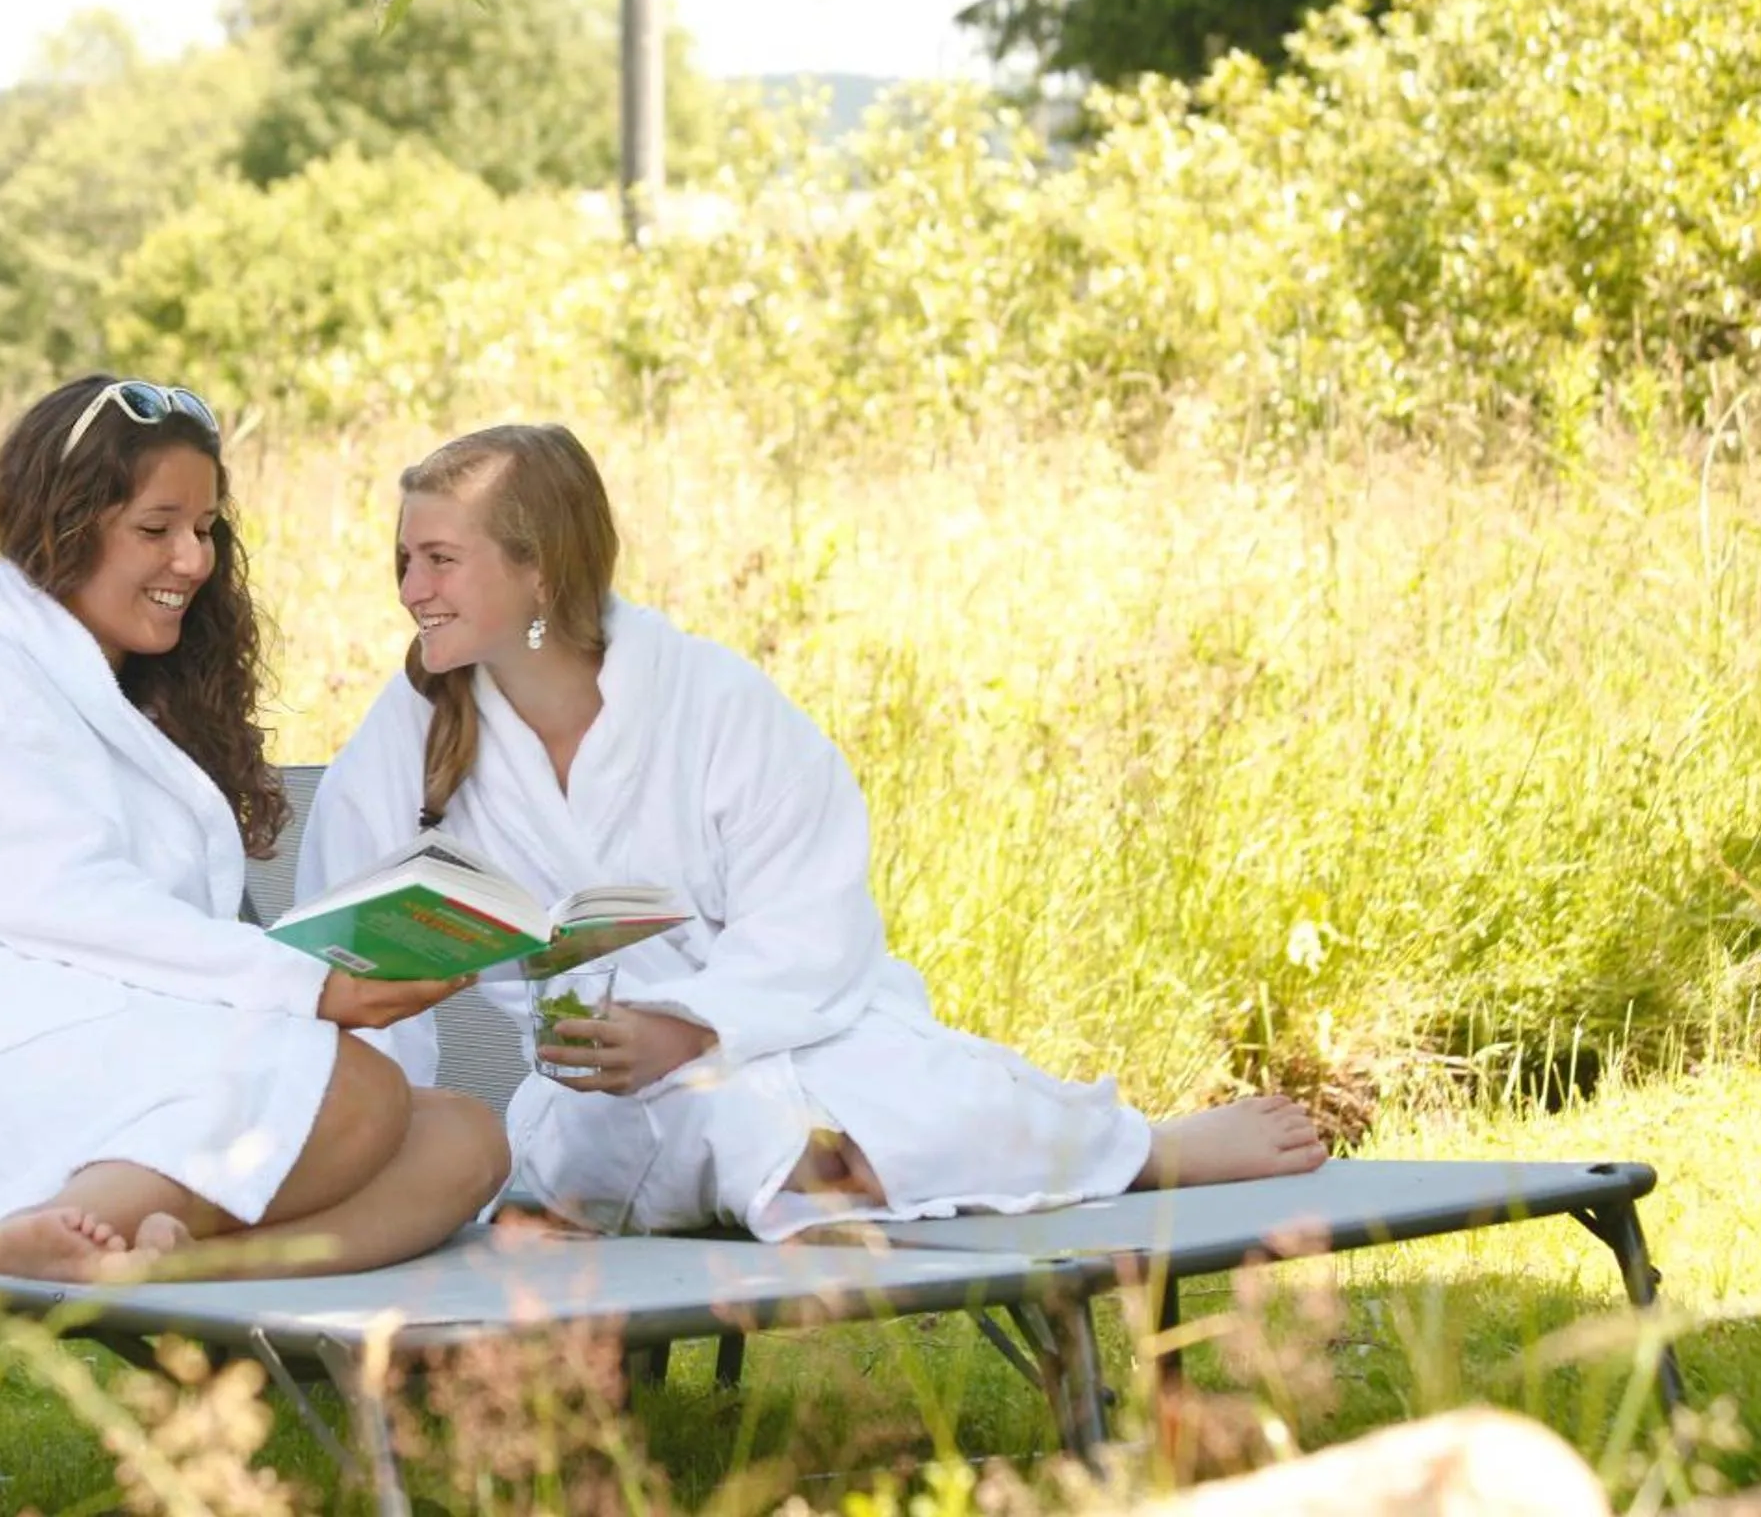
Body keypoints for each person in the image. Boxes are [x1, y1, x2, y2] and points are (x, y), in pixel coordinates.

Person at [297, 424, 1327, 1242]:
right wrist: (386, 1139)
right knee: (719, 1124)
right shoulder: (413, 727)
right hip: (594, 1097)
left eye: (440, 558)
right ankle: (830, 1183)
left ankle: (1140, 1149)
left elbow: (816, 915)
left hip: (788, 1028)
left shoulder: (710, 698)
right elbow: (350, 952)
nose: (411, 589)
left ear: (540, 571)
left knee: (931, 1087)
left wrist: (689, 1025)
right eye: (404, 560)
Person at [0, 375, 508, 1281]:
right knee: (356, 1092)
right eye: (156, 529)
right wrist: (306, 983)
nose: (192, 560)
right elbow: (59, 903)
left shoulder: (132, 694)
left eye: (205, 529)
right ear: (61, 525)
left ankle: (157, 1272)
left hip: (97, 1041)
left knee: (466, 1137)